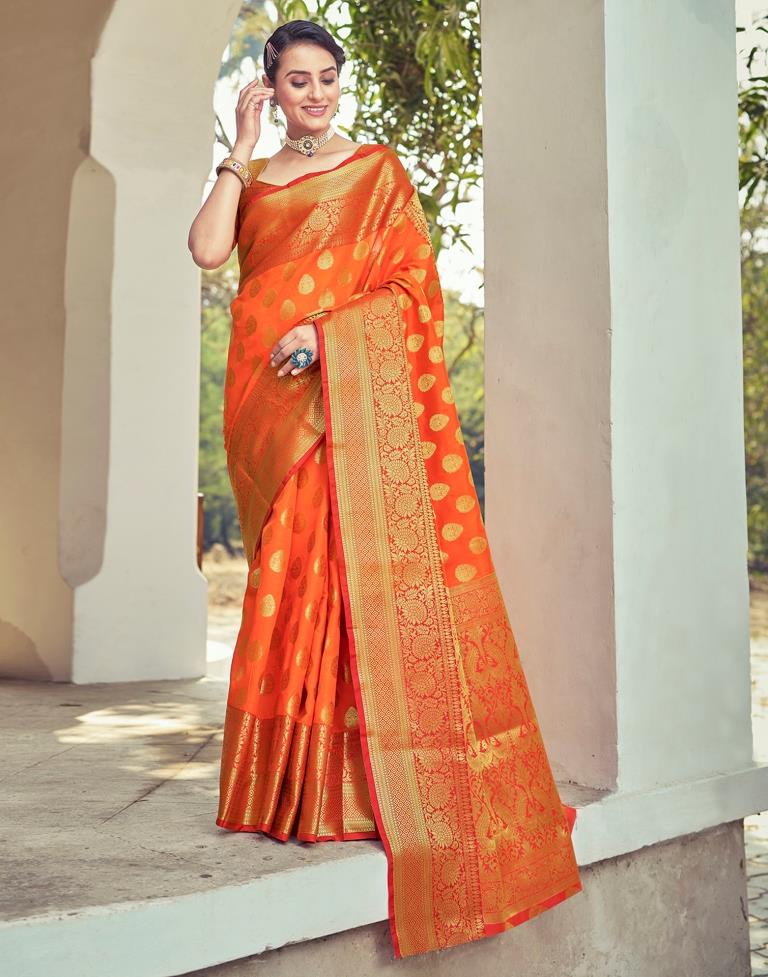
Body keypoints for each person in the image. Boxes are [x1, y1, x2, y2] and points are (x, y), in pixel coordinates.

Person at [188, 18, 583, 961]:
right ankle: (283, 787)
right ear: (269, 90)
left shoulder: (377, 175)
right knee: (286, 589)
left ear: (340, 82)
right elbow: (208, 252)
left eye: (326, 78)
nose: (314, 94)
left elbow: (413, 290)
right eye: (295, 81)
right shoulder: (257, 176)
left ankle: (363, 788)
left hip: (343, 412)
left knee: (353, 586)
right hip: (275, 419)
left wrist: (331, 336)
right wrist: (238, 153)